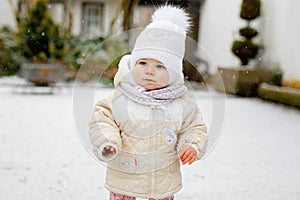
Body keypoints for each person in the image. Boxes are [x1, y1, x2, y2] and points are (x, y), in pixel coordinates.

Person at [89, 5, 208, 200]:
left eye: (160, 66)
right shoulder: (120, 97)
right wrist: (108, 141)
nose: (149, 71)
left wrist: (191, 145)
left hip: (162, 181)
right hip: (124, 177)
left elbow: (195, 127)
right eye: (142, 63)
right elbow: (101, 119)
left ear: (173, 73)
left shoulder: (181, 104)